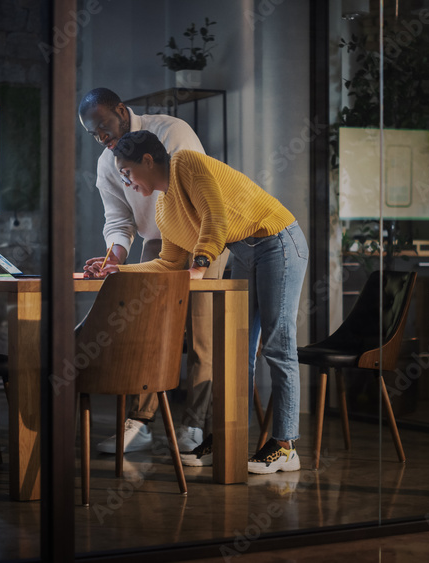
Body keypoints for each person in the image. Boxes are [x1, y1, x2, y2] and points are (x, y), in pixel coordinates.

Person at [90, 130, 309, 475]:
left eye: (127, 173)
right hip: (244, 251)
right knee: (238, 353)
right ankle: (227, 438)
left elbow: (215, 217)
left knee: (278, 346)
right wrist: (117, 270)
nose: (126, 182)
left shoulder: (186, 164)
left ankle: (284, 446)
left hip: (277, 241)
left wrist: (201, 264)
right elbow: (167, 262)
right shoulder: (164, 209)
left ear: (148, 161)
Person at [79, 87, 228, 455]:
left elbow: (199, 195)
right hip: (158, 243)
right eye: (92, 134)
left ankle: (193, 424)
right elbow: (118, 219)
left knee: (200, 339)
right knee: (145, 333)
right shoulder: (106, 162)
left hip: (199, 239)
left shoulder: (173, 132)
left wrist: (199, 262)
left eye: (103, 126)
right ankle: (140, 423)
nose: (101, 138)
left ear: (121, 109)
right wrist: (114, 257)